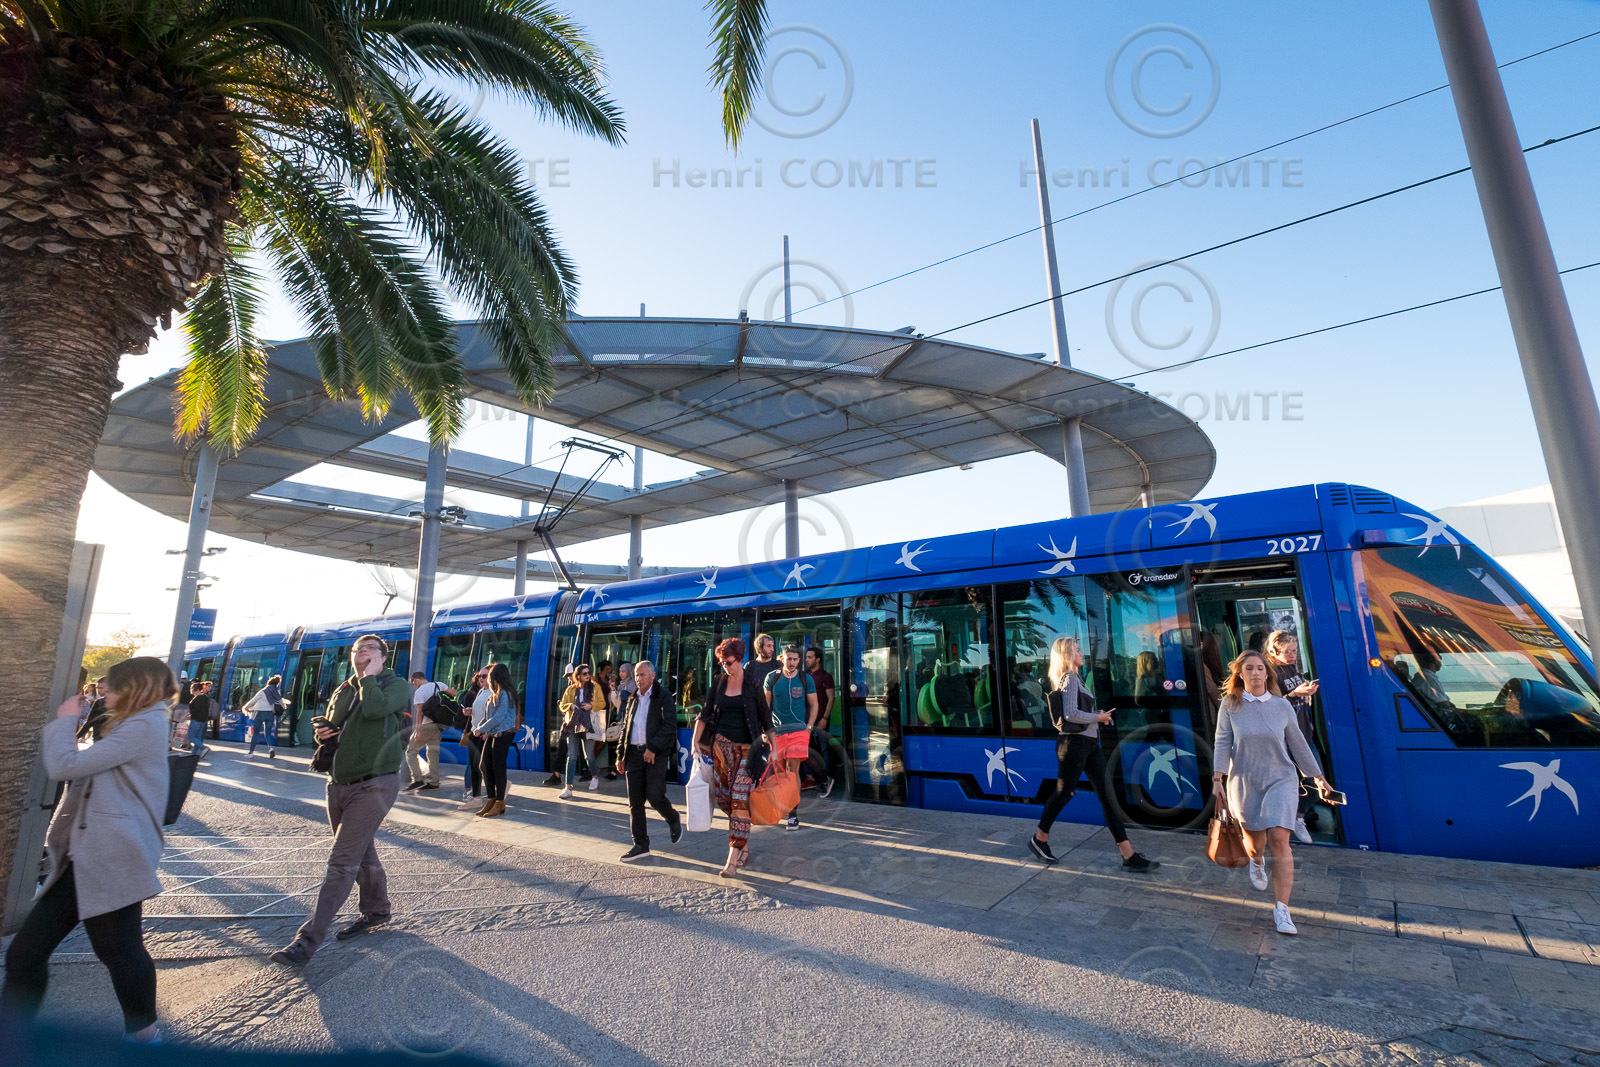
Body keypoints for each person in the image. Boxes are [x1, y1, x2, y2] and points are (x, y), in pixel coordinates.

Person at [2, 657, 174, 1043]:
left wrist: (65, 719)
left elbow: (64, 765)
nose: (101, 691)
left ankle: (144, 1039)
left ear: (134, 687)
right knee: (41, 954)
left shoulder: (143, 725)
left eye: (109, 686)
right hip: (94, 855)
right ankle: (14, 1035)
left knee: (115, 952)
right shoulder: (138, 724)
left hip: (107, 855)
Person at [271, 634, 410, 965]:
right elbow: (336, 725)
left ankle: (306, 942)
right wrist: (326, 733)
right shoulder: (343, 687)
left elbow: (376, 709)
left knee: (342, 861)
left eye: (367, 649)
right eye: (355, 650)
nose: (358, 653)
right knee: (362, 853)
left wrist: (370, 678)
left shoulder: (396, 684)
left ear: (381, 657)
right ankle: (376, 910)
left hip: (375, 784)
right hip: (338, 783)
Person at [1212, 649, 1335, 936]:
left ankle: (1282, 910)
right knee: (1256, 842)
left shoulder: (1282, 706)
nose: (1255, 673)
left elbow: (1299, 745)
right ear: (1240, 674)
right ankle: (1255, 861)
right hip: (1244, 780)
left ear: (1268, 673)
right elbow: (1221, 742)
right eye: (1249, 669)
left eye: (1260, 668)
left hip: (1281, 778)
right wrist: (1218, 778)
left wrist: (1318, 777)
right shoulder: (1230, 704)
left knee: (1280, 838)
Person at [1028, 637, 1159, 872]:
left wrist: (1098, 716)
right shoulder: (1068, 678)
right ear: (1067, 655)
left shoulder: (1076, 679)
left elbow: (1078, 712)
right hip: (1073, 744)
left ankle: (1128, 855)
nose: (1081, 653)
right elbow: (1069, 714)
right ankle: (1039, 839)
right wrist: (1096, 717)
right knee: (1064, 793)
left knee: (1107, 797)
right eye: (1077, 650)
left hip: (1088, 744)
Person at [690, 638, 773, 878]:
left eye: (728, 662)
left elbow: (765, 717)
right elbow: (706, 713)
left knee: (738, 801)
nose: (725, 666)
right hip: (720, 750)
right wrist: (696, 740)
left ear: (740, 659)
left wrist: (774, 746)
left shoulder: (752, 683)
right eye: (721, 662)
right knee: (726, 801)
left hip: (748, 750)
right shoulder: (718, 682)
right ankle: (743, 845)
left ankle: (731, 862)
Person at [613, 660, 682, 861]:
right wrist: (620, 755)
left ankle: (672, 817)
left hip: (655, 754)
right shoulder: (633, 698)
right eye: (636, 675)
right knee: (635, 801)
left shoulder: (663, 696)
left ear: (652, 676)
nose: (638, 679)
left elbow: (669, 726)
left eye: (642, 675)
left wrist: (653, 748)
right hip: (633, 754)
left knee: (655, 796)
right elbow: (625, 728)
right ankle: (640, 844)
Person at [1264, 631, 1323, 843]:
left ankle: (1294, 818)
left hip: (1303, 733)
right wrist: (1294, 694)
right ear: (1273, 651)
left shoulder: (1291, 668)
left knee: (1316, 782)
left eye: (1295, 651)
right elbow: (1271, 709)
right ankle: (1294, 819)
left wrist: (1305, 693)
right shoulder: (1270, 673)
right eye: (1287, 652)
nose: (1292, 655)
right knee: (1314, 784)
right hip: (1286, 739)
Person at [764, 645, 820, 831]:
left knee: (792, 770)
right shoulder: (772, 678)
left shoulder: (806, 679)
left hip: (798, 731)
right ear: (782, 658)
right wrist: (765, 730)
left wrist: (809, 728)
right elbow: (765, 707)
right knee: (780, 773)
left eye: (796, 659)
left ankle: (793, 814)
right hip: (777, 732)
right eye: (789, 659)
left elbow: (814, 704)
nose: (793, 663)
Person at [474, 663, 518, 817]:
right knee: (484, 765)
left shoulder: (505, 693)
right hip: (494, 734)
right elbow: (488, 716)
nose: (488, 678)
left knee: (498, 767)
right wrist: (479, 727)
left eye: (490, 675)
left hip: (503, 734)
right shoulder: (495, 693)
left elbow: (499, 717)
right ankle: (492, 799)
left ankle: (499, 801)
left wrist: (481, 729)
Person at [557, 663, 601, 800]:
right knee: (572, 756)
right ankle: (568, 787)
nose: (588, 676)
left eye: (589, 673)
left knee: (589, 755)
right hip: (573, 725)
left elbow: (602, 703)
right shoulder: (570, 689)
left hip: (588, 725)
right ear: (578, 676)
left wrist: (591, 706)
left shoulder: (595, 687)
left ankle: (594, 777)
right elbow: (562, 705)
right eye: (585, 674)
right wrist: (570, 705)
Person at [404, 671, 449, 793]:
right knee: (433, 754)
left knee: (410, 751)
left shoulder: (420, 692)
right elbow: (454, 694)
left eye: (413, 684)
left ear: (416, 680)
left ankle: (417, 779)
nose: (414, 686)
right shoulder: (439, 685)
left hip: (426, 725)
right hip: (438, 725)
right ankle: (434, 782)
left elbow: (420, 712)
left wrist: (418, 730)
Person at [805, 647, 838, 798]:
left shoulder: (826, 676)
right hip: (806, 719)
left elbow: (831, 698)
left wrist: (825, 718)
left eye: (810, 657)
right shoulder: (804, 675)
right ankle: (813, 778)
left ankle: (828, 779)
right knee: (808, 749)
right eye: (806, 657)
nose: (807, 660)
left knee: (824, 748)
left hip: (821, 718)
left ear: (818, 659)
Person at [459, 667, 488, 802]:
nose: (480, 678)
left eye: (484, 676)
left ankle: (476, 791)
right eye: (479, 676)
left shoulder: (494, 693)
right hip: (474, 731)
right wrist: (470, 711)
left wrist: (485, 730)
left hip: (483, 733)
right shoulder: (481, 691)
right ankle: (474, 794)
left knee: (478, 764)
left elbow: (494, 715)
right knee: (475, 764)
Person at [245, 674, 286, 759]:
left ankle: (251, 753)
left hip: (260, 714)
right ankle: (271, 749)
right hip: (270, 714)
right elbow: (281, 703)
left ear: (268, 682)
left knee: (256, 734)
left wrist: (246, 708)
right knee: (268, 734)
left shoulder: (263, 691)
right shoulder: (277, 692)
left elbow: (253, 701)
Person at [185, 681, 212, 752]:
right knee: (198, 738)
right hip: (203, 720)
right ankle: (194, 754)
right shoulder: (205, 697)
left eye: (191, 688)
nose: (190, 690)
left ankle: (203, 748)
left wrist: (189, 715)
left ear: (195, 689)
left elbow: (195, 710)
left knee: (190, 737)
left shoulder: (197, 699)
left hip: (196, 719)